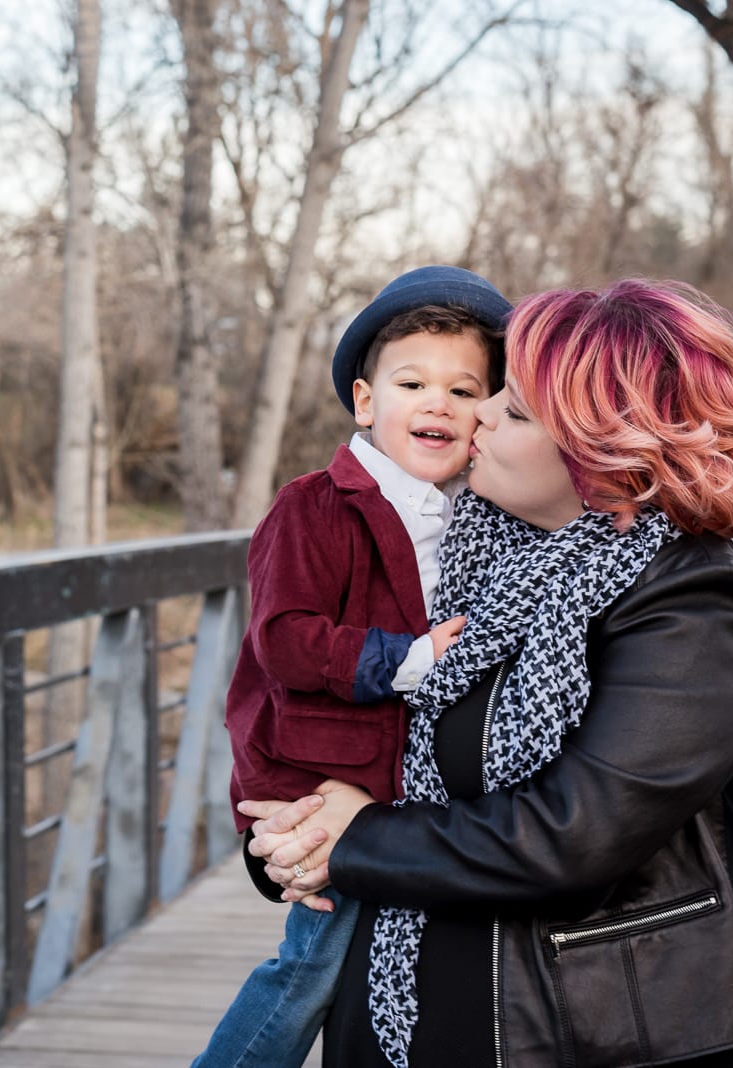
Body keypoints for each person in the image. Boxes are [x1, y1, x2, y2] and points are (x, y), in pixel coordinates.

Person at [242, 278, 733, 1068]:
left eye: (517, 408)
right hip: (404, 1022)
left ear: (610, 451)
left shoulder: (696, 606)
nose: (482, 413)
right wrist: (287, 836)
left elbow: (574, 836)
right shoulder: (467, 558)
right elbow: (343, 730)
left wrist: (355, 837)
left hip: (589, 1036)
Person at [193, 266, 512, 1068]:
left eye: (464, 388)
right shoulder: (315, 505)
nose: (438, 402)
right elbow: (284, 637)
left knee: (378, 974)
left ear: (491, 416)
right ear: (367, 403)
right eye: (413, 382)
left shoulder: (481, 515)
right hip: (319, 774)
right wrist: (406, 661)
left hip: (401, 791)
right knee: (311, 967)